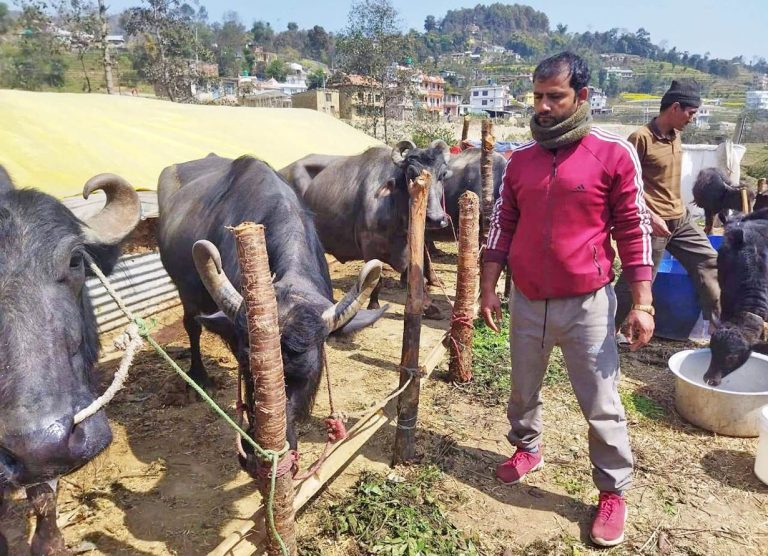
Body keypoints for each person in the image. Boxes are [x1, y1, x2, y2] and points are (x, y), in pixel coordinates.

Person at [479, 52, 654, 548]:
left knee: (601, 404)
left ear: (582, 97)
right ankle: (526, 449)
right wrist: (489, 287)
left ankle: (612, 490)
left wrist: (642, 302)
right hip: (528, 300)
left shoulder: (613, 154)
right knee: (522, 390)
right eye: (537, 97)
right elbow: (501, 225)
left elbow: (633, 228)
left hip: (588, 306)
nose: (544, 106)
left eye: (554, 96)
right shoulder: (520, 161)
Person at [614, 79, 720, 330]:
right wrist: (648, 215)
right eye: (690, 113)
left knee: (709, 261)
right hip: (652, 223)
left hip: (680, 219)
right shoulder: (641, 139)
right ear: (675, 107)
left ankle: (719, 329)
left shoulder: (676, 135)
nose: (692, 118)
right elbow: (623, 185)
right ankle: (606, 332)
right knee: (637, 282)